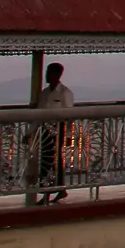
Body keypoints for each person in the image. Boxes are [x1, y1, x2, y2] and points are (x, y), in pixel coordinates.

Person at [32, 62, 75, 204]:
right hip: (46, 130)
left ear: (57, 75)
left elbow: (69, 116)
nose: (46, 76)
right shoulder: (44, 93)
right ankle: (59, 189)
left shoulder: (65, 93)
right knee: (49, 161)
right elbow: (39, 114)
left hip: (58, 129)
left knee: (51, 161)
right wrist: (31, 131)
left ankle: (47, 193)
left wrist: (68, 135)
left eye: (49, 73)